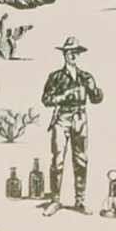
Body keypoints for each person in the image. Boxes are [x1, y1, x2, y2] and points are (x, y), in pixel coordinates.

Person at [39, 38, 101, 210]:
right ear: (64, 55)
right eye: (69, 52)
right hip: (62, 117)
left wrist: (95, 90)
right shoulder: (56, 77)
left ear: (79, 54)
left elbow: (96, 99)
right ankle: (55, 200)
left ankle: (80, 201)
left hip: (81, 118)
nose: (73, 54)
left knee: (81, 160)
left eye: (76, 52)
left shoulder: (86, 76)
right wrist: (64, 95)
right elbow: (46, 99)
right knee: (57, 159)